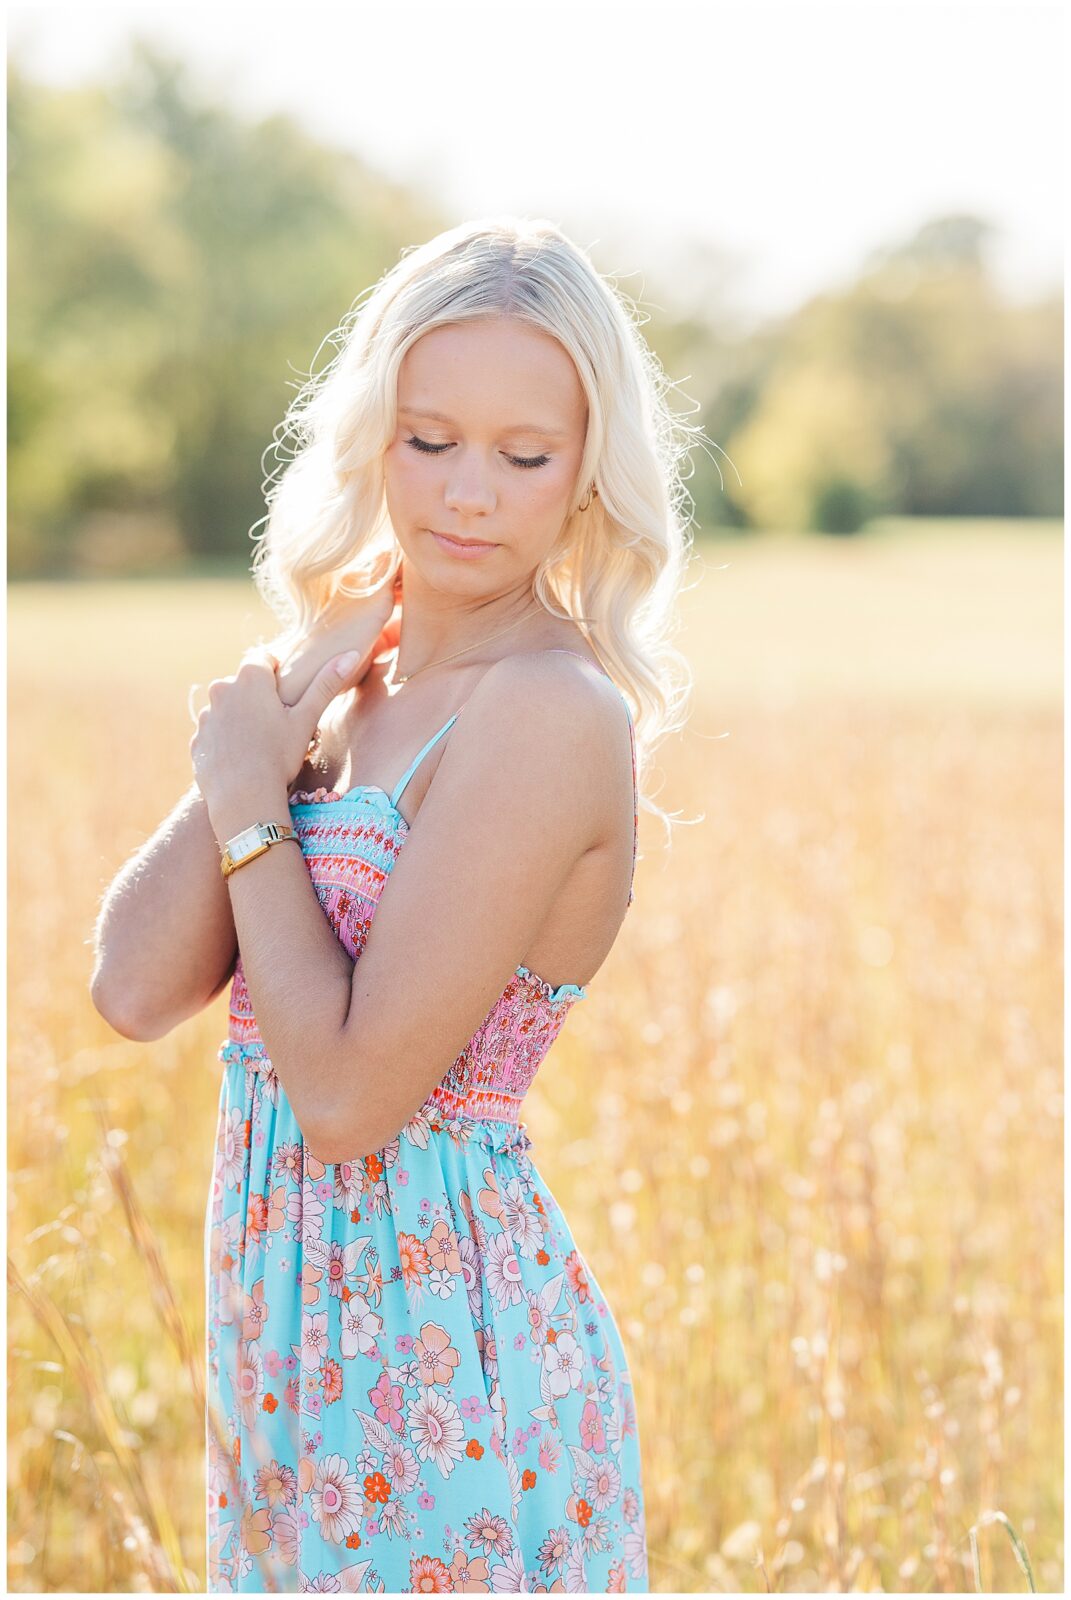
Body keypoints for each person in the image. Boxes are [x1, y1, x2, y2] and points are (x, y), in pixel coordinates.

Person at [91, 215, 698, 1592]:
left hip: (447, 1376)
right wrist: (287, 714)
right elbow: (132, 992)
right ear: (374, 435)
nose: (469, 494)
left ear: (587, 475)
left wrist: (255, 802)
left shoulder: (546, 711)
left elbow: (354, 1101)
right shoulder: (348, 683)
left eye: (524, 455)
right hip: (287, 1349)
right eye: (430, 440)